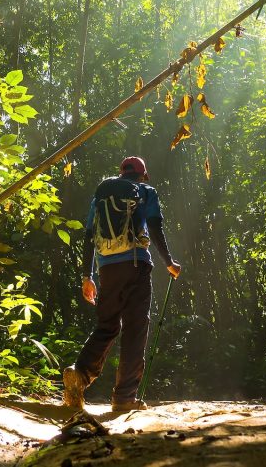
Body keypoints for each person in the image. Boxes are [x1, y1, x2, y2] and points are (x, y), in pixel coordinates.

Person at [62, 156, 181, 412]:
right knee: (135, 329)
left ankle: (80, 373)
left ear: (120, 173)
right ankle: (124, 398)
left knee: (106, 325)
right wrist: (169, 262)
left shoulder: (101, 197)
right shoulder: (146, 192)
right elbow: (155, 226)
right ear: (142, 175)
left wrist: (87, 276)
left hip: (107, 269)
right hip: (136, 265)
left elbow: (88, 236)